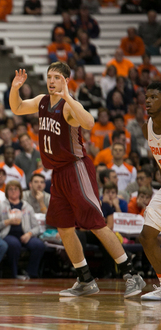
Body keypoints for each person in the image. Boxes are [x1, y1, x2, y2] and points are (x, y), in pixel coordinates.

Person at [10, 63, 145, 298]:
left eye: (57, 78)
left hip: (77, 168)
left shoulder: (68, 106)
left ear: (66, 80)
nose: (51, 81)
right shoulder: (42, 100)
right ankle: (85, 279)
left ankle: (132, 274)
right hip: (58, 173)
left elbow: (90, 122)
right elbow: (18, 107)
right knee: (63, 228)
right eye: (49, 77)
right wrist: (15, 89)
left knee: (95, 223)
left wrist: (69, 97)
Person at [139, 82, 161, 300]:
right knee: (147, 235)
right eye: (147, 97)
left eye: (154, 97)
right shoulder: (148, 128)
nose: (148, 101)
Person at [0, 181, 45, 279]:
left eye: (16, 189)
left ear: (20, 191)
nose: (13, 191)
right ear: (7, 192)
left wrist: (29, 234)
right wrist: (8, 222)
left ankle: (31, 273)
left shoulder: (27, 207)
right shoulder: (1, 206)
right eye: (10, 189)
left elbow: (37, 227)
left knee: (39, 245)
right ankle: (13, 274)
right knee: (14, 244)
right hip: (8, 235)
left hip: (25, 235)